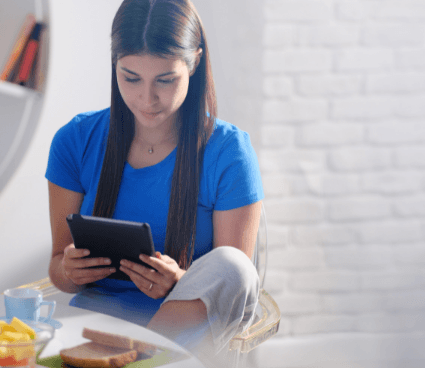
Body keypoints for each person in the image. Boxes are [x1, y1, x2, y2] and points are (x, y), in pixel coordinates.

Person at [45, 0, 264, 362]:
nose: (147, 99)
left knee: (234, 266)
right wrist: (69, 269)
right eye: (130, 78)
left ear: (194, 62)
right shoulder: (75, 140)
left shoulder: (228, 151)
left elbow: (232, 286)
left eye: (165, 80)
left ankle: (143, 359)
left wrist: (180, 283)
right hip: (89, 332)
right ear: (114, 64)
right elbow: (57, 268)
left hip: (179, 340)